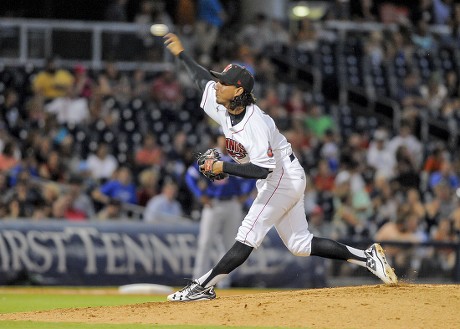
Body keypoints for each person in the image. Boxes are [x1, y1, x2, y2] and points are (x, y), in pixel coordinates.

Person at [163, 33, 397, 302]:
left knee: (247, 235)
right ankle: (366, 257)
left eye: (223, 82)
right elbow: (200, 79)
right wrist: (182, 54)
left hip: (280, 178)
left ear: (238, 91)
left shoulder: (255, 124)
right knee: (300, 244)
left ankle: (202, 286)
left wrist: (222, 167)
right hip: (285, 175)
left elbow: (263, 170)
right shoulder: (223, 108)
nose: (217, 85)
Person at [185, 134, 255, 288]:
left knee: (229, 244)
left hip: (232, 204)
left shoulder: (238, 156)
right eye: (221, 137)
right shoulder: (210, 156)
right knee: (205, 242)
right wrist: (199, 195)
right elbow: (190, 177)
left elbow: (253, 174)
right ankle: (198, 281)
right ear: (217, 139)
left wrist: (246, 193)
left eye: (226, 137)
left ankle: (225, 282)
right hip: (213, 204)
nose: (224, 140)